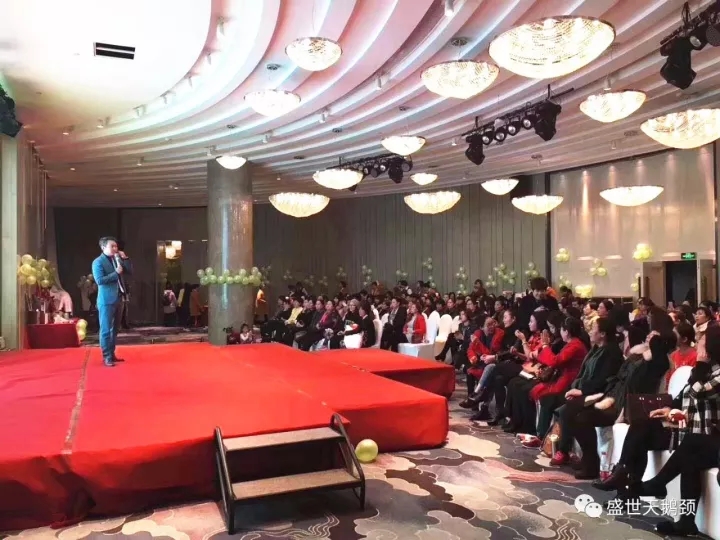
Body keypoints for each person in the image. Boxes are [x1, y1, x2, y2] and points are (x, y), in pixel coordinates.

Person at [615, 324, 720, 537]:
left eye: (701, 342)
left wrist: (700, 365)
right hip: (697, 432)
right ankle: (685, 521)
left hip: (710, 435)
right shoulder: (708, 370)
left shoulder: (714, 373)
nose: (698, 347)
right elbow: (686, 395)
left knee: (692, 443)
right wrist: (670, 409)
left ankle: (657, 483)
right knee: (683, 452)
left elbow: (698, 392)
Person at [549, 317, 625, 472]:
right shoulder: (596, 349)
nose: (589, 332)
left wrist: (581, 391)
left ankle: (588, 460)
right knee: (566, 409)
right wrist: (577, 388)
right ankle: (583, 457)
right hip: (590, 392)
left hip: (603, 396)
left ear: (602, 333)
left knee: (571, 413)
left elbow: (603, 380)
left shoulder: (612, 352)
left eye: (593, 329)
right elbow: (583, 374)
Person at [91, 236, 132, 367]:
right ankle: (106, 356)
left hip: (119, 298)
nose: (115, 248)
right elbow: (99, 280)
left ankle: (112, 353)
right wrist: (116, 273)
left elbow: (130, 271)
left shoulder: (117, 259)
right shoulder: (98, 262)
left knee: (115, 329)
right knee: (105, 330)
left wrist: (125, 258)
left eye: (116, 246)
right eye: (112, 246)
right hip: (106, 300)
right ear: (103, 247)